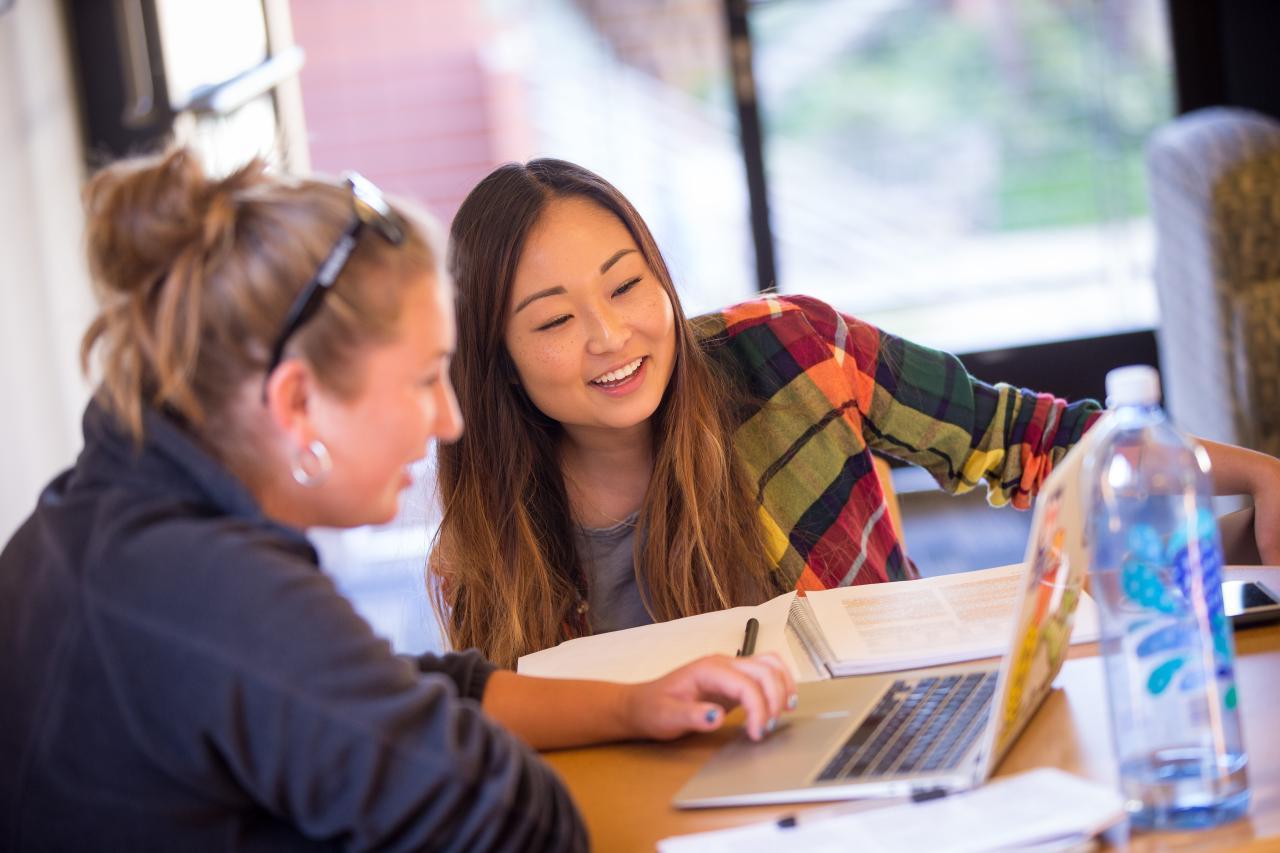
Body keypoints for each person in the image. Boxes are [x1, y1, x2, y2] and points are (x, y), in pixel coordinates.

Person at [0, 149, 795, 852]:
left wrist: (631, 707)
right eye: (423, 381)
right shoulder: (210, 595)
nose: (448, 419)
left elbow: (397, 692)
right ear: (298, 402)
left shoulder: (101, 515)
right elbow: (506, 818)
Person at [432, 157, 1280, 668]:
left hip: (901, 743)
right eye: (553, 320)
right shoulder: (486, 545)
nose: (610, 335)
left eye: (626, 284)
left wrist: (1260, 478)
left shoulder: (788, 351)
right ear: (494, 359)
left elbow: (1025, 438)